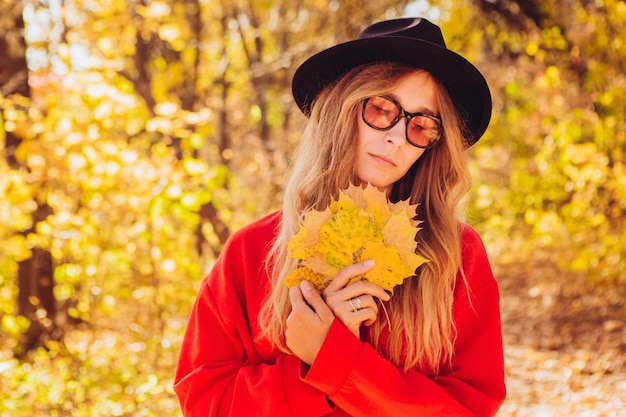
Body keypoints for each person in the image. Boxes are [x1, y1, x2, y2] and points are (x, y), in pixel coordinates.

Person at [174, 17, 506, 416]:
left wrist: (335, 361)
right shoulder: (251, 250)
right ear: (340, 109)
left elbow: (470, 407)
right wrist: (307, 373)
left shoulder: (457, 254)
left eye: (421, 125)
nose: (396, 138)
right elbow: (203, 400)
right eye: (382, 108)